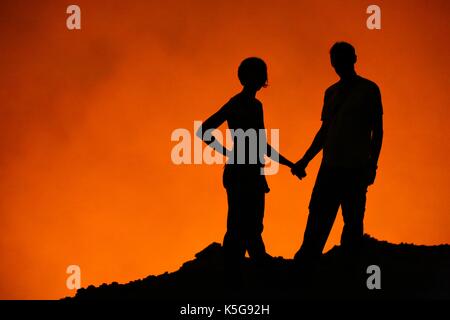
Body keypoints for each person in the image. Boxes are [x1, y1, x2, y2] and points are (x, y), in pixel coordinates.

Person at [197, 57, 293, 273]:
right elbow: (203, 130)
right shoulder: (240, 104)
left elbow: (261, 145)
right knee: (241, 227)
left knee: (246, 225)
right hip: (243, 173)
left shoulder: (250, 104)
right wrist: (228, 152)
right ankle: (244, 272)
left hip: (248, 172)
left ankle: (243, 270)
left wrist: (289, 164)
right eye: (256, 75)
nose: (258, 80)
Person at [292, 42, 383, 261]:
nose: (339, 64)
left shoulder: (369, 90)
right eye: (336, 60)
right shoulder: (330, 93)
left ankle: (347, 269)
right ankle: (306, 267)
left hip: (355, 167)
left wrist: (372, 164)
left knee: (352, 221)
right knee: (317, 219)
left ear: (354, 59)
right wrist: (305, 160)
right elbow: (325, 131)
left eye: (343, 58)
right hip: (330, 167)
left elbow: (377, 131)